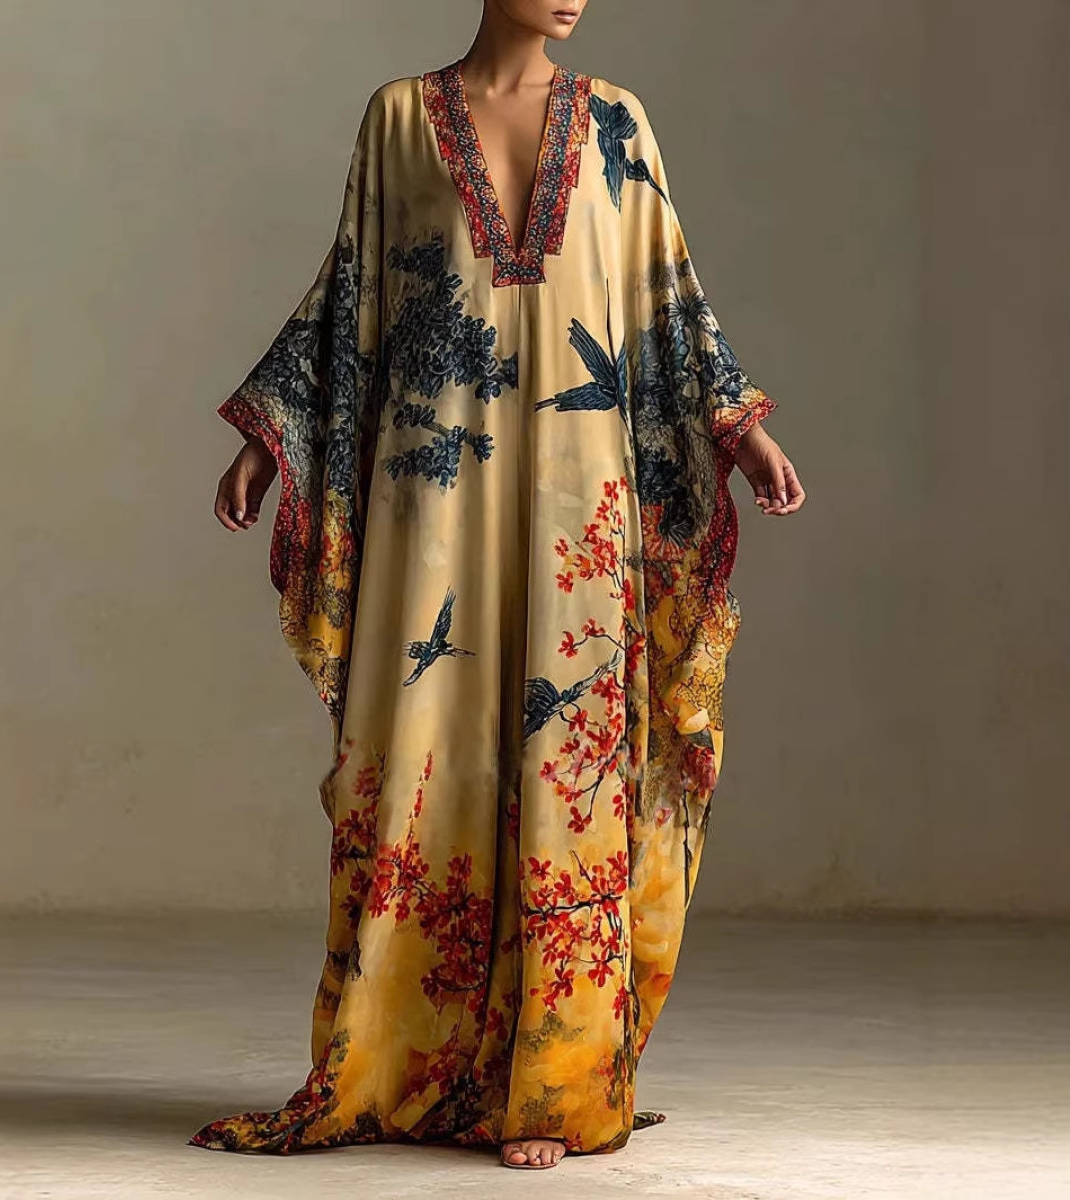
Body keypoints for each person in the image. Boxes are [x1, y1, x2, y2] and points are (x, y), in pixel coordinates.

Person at [188, 0, 806, 1173]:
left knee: (571, 755)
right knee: (427, 749)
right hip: (434, 497)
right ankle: (409, 1058)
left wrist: (740, 430)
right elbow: (350, 301)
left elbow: (669, 306)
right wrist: (267, 443)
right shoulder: (398, 122)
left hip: (583, 503)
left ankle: (553, 1082)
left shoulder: (618, 123)